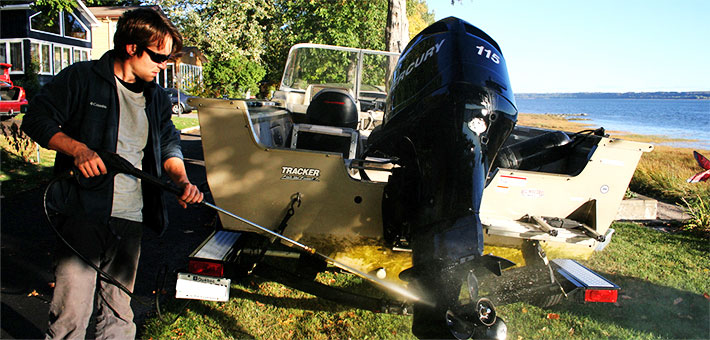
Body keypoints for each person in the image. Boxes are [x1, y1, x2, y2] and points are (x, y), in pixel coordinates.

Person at [21, 8, 203, 339]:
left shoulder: (157, 98)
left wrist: (181, 181)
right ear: (132, 47)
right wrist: (77, 150)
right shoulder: (82, 79)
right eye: (159, 57)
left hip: (129, 218)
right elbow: (35, 119)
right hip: (82, 214)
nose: (163, 66)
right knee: (71, 314)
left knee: (119, 314)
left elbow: (168, 144)